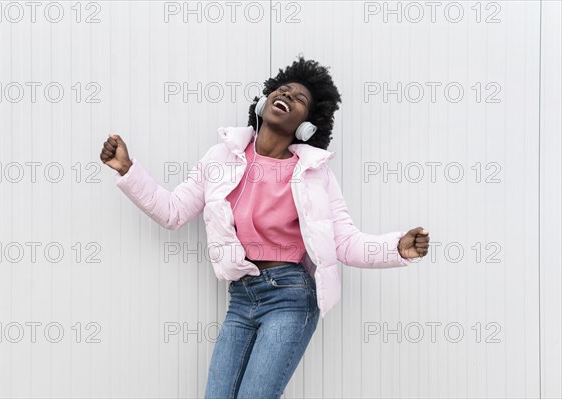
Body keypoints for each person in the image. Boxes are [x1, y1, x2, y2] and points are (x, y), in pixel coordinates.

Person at [99, 55, 430, 399]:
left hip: (290, 297)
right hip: (241, 298)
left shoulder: (314, 174)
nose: (286, 95)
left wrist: (395, 247)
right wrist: (128, 170)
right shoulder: (221, 158)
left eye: (299, 99)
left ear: (308, 126)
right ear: (263, 102)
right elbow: (173, 211)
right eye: (281, 90)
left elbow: (343, 242)